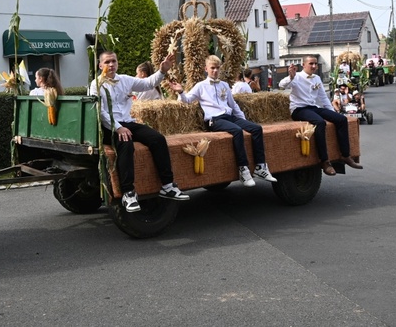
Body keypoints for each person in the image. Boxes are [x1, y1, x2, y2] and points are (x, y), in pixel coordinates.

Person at [89, 50, 189, 213]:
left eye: (114, 61)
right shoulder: (96, 84)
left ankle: (168, 186)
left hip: (127, 122)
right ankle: (128, 193)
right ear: (100, 65)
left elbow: (148, 83)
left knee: (157, 139)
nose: (111, 65)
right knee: (125, 144)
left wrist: (162, 71)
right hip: (108, 126)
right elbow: (100, 112)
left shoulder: (125, 80)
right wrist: (118, 127)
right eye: (107, 62)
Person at [170, 55, 276, 187]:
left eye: (217, 68)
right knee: (237, 131)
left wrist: (243, 121)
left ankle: (261, 166)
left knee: (256, 128)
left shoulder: (224, 85)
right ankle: (243, 168)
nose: (215, 71)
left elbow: (233, 105)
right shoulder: (200, 86)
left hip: (229, 117)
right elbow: (186, 100)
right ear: (206, 69)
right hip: (214, 119)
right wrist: (180, 92)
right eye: (212, 68)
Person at [278, 55, 363, 176]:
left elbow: (323, 97)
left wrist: (332, 113)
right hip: (299, 109)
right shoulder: (296, 77)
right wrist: (291, 76)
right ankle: (324, 161)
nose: (313, 66)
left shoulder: (317, 78)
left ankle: (345, 155)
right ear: (304, 65)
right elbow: (281, 85)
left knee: (341, 119)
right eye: (311, 64)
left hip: (313, 107)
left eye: (315, 64)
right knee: (319, 122)